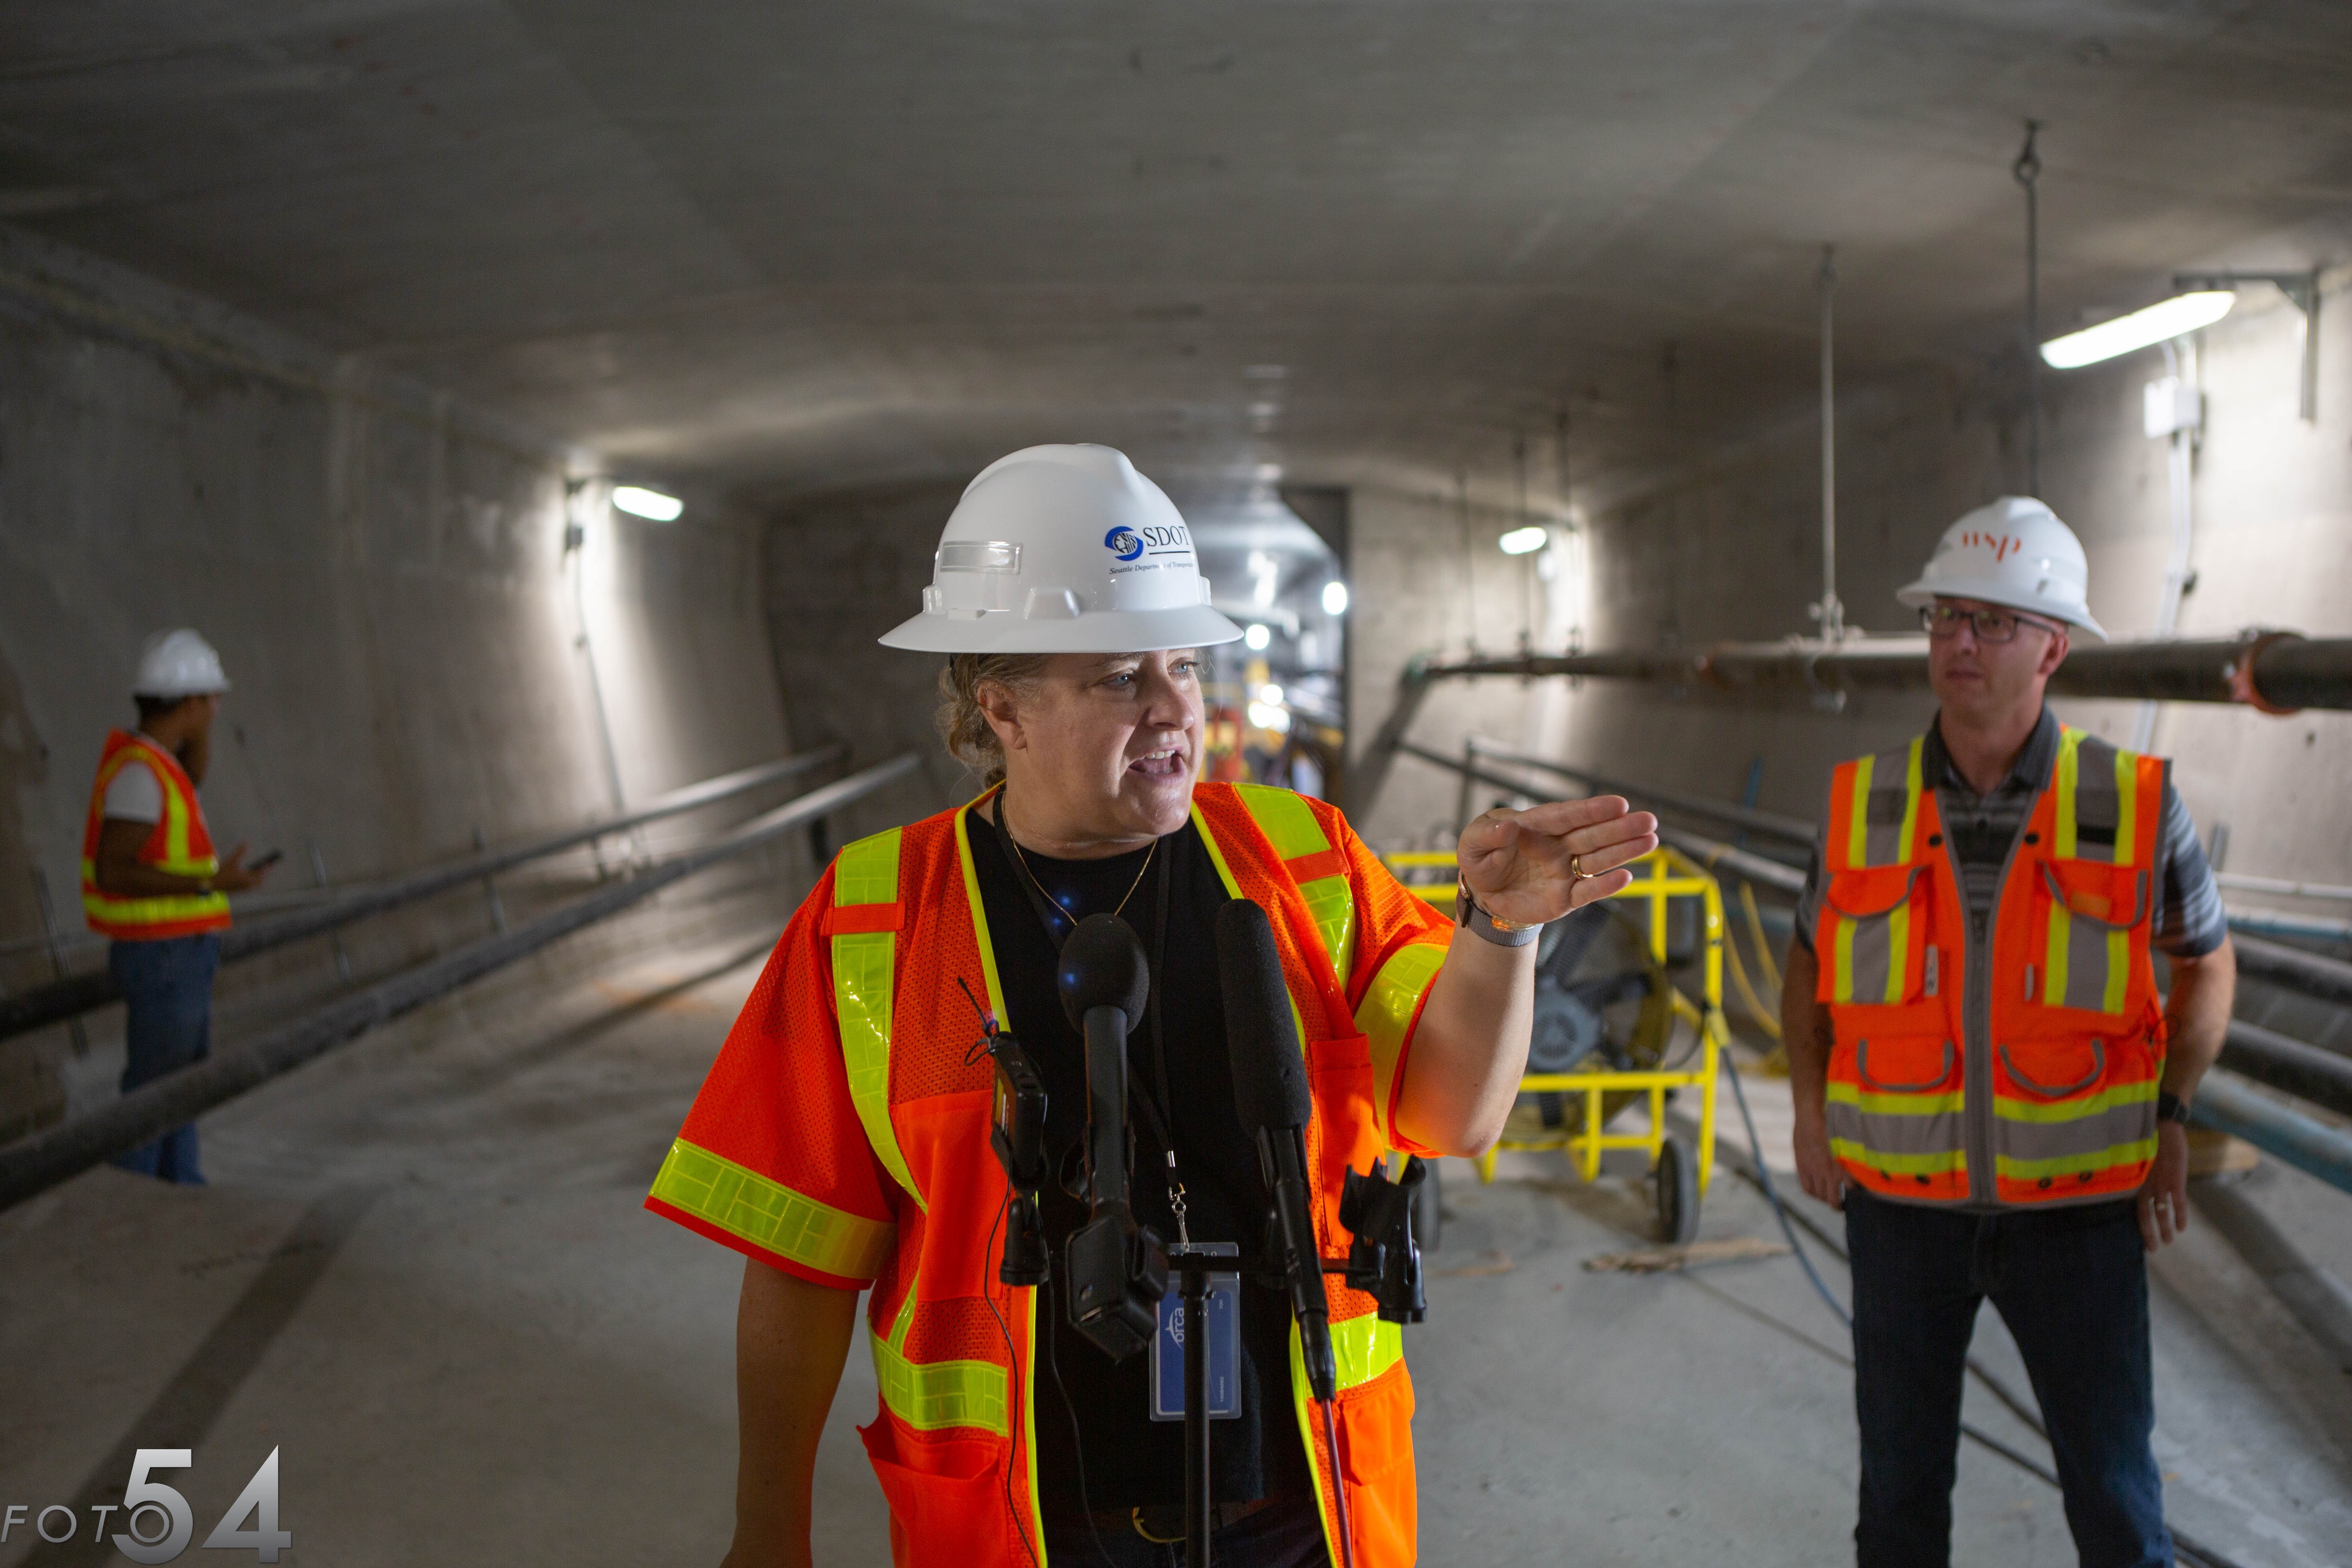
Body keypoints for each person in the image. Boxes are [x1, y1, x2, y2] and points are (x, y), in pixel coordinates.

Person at [645, 444, 1658, 1568]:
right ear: (1003, 708)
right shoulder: (873, 918)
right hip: (1021, 1520)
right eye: (1121, 675)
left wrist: (1499, 934)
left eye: (1183, 661)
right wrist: (766, 1530)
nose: (1181, 707)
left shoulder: (1299, 860)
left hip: (1296, 1499)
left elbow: (1453, 1116)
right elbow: (799, 1258)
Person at [1782, 497, 2237, 1568]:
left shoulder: (2130, 801)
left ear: (2053, 646)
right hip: (1899, 1216)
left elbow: (2205, 963)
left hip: (2077, 1222)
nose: (1958, 644)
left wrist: (2173, 1111)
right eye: (1945, 618)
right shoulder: (1861, 803)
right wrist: (1809, 1109)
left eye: (1991, 622)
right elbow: (1809, 961)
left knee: (2116, 1500)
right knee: (1896, 1500)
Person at [80, 629, 272, 1183]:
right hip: (161, 958)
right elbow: (113, 869)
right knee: (152, 1092)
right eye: (212, 698)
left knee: (181, 1084)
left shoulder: (159, 765)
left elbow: (196, 773)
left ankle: (179, 1185)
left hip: (177, 953)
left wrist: (199, 725)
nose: (217, 708)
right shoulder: (141, 775)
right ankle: (131, 1198)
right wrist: (212, 882)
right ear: (190, 702)